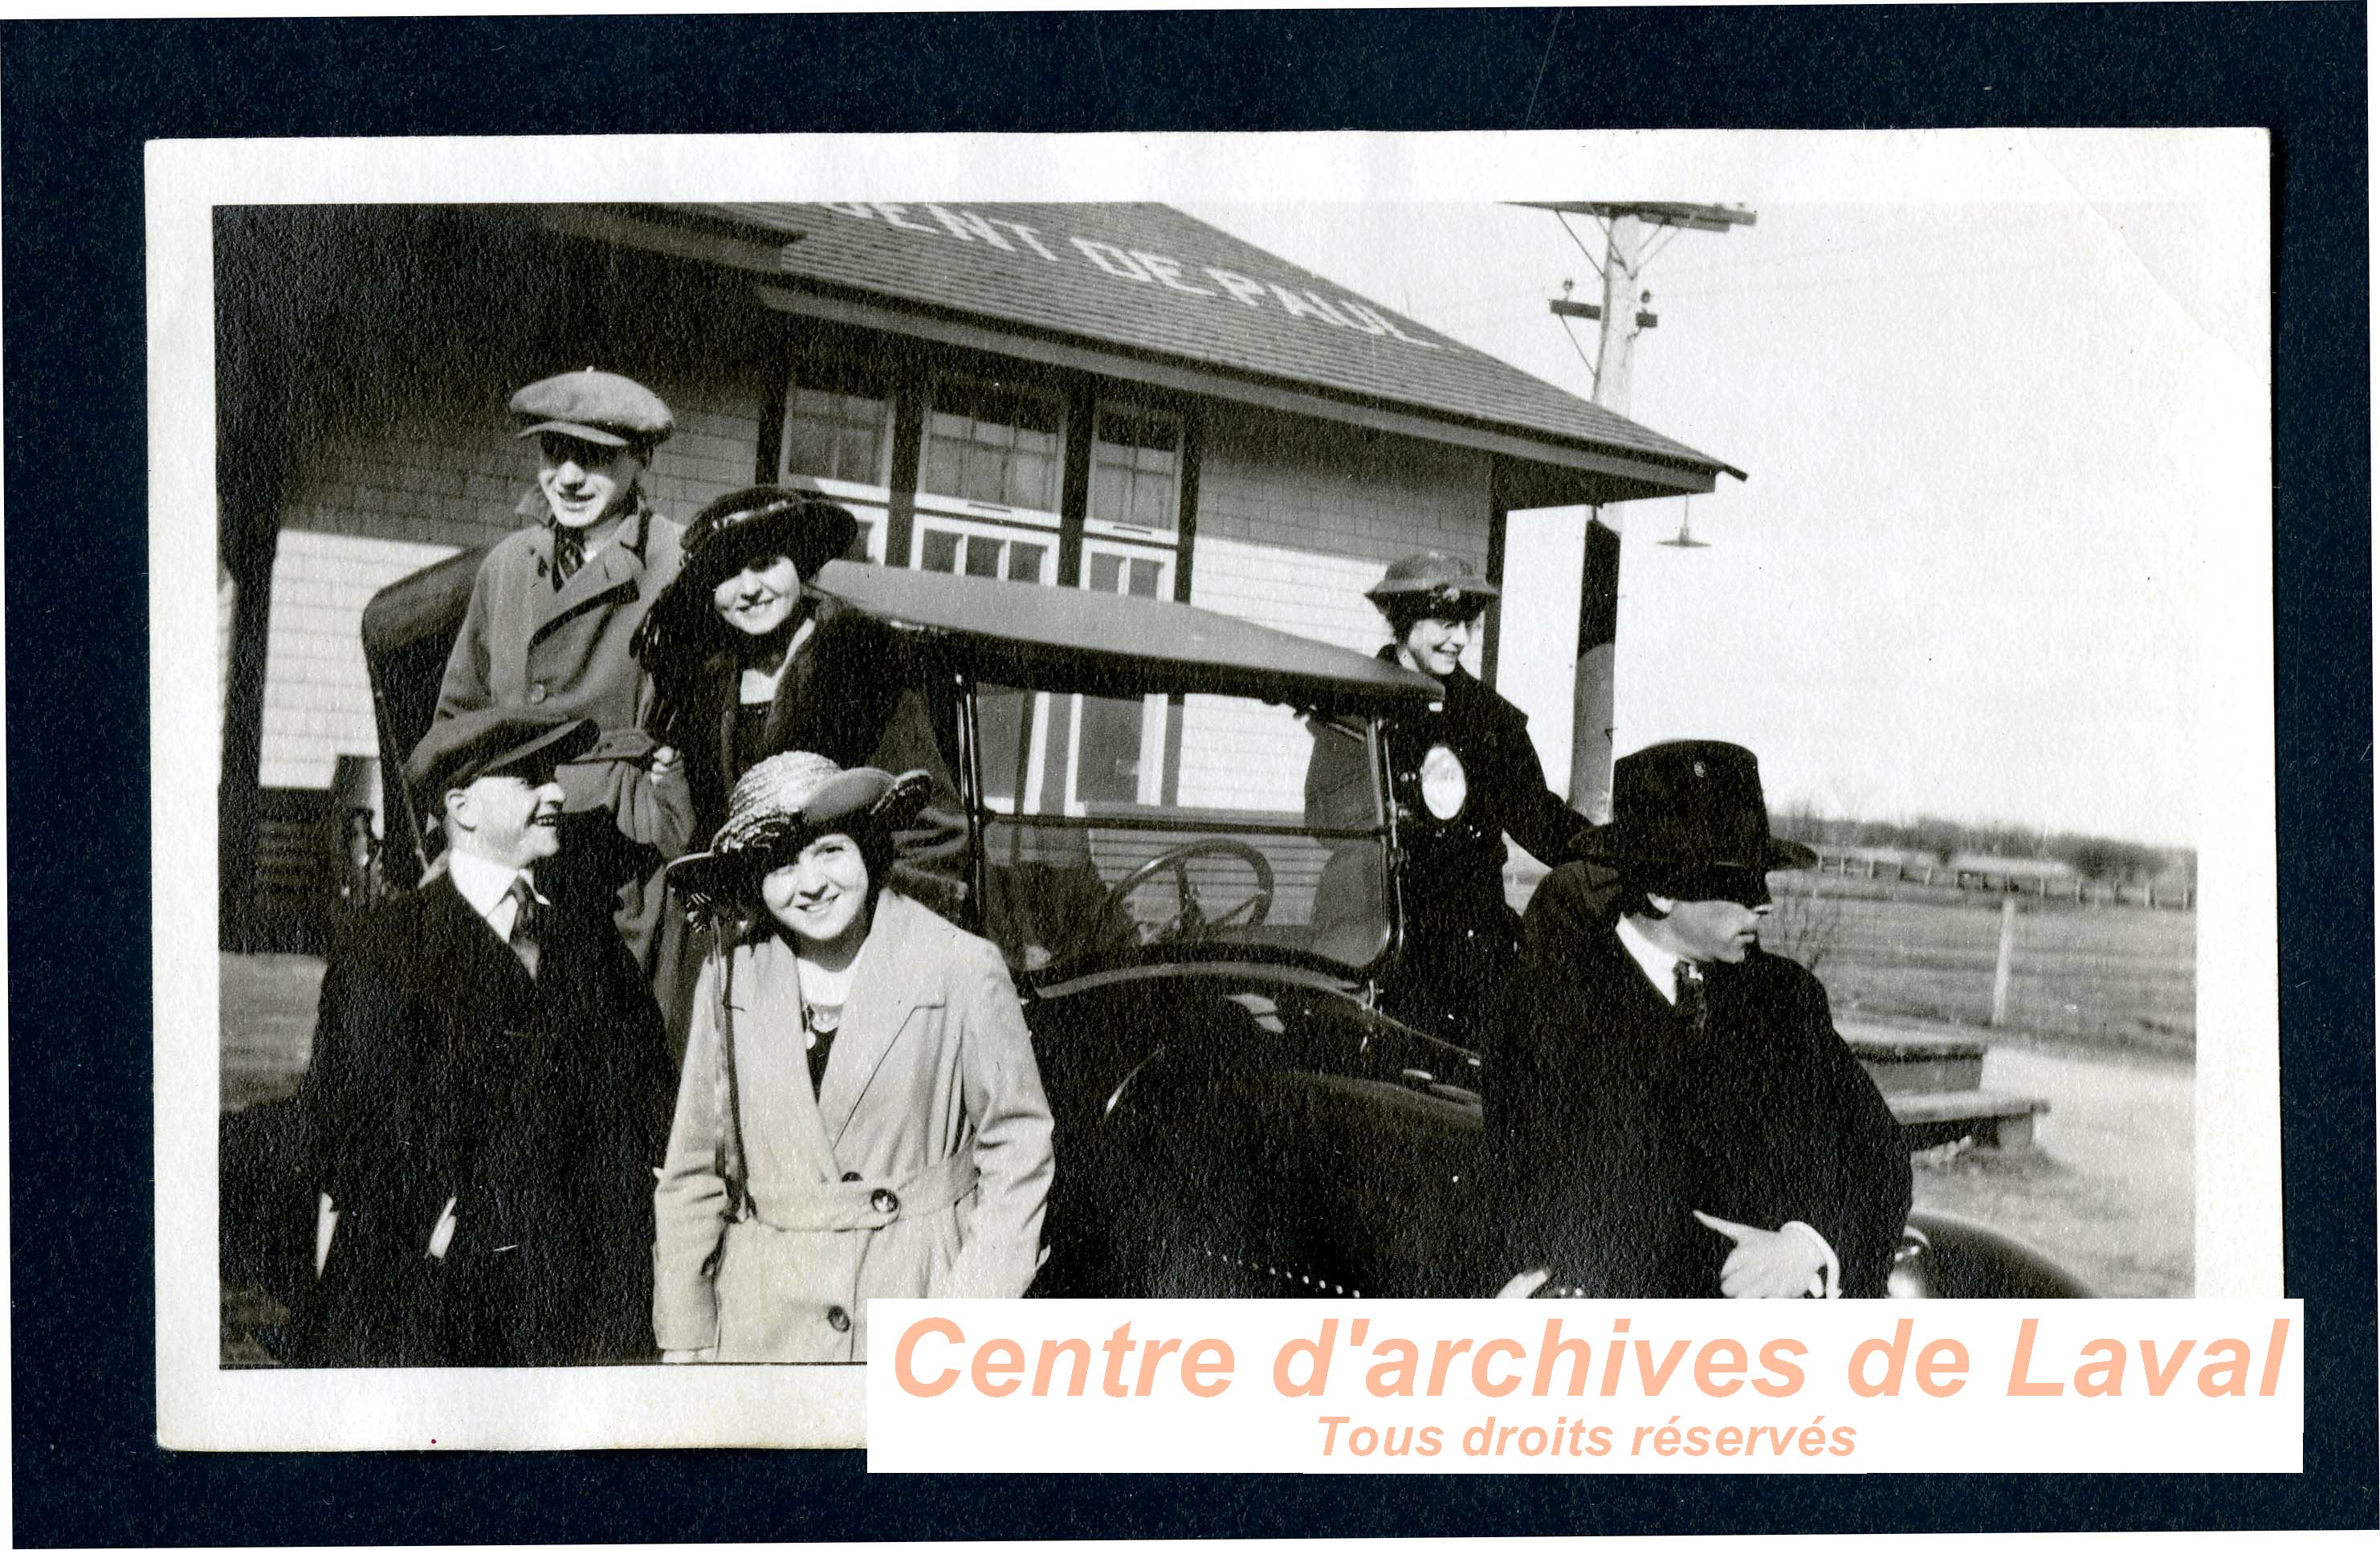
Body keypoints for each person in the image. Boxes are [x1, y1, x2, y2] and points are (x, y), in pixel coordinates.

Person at [290, 708, 679, 1365]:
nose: (555, 793)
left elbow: (650, 1101)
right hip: (426, 1315)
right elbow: (344, 1126)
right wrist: (440, 1229)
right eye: (528, 779)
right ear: (462, 807)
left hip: (578, 1313)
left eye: (550, 777)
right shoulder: (388, 945)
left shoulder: (591, 944)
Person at [652, 753, 1054, 1363]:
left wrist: (971, 1312)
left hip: (921, 1313)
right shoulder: (728, 979)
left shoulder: (959, 965)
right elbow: (693, 1176)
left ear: (868, 849)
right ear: (754, 884)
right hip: (763, 1329)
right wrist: (687, 1339)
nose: (810, 883)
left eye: (830, 851)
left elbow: (1019, 1146)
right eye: (781, 865)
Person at [1484, 740, 1910, 1299]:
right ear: (1661, 893)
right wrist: (1743, 1268)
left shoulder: (1786, 998)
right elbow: (1577, 1209)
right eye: (1738, 882)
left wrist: (1807, 1246)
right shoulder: (1555, 1003)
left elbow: (1875, 1150)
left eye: (1763, 880)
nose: (1764, 904)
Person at [434, 367, 695, 973]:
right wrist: (456, 842)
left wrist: (670, 809)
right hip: (510, 842)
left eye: (596, 456)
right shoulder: (506, 564)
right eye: (555, 452)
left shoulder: (679, 563)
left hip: (625, 848)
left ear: (641, 458)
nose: (569, 477)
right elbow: (458, 719)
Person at [1309, 549, 1593, 1041]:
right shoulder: (1351, 705)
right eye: (1445, 622)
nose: (1460, 639)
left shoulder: (1491, 720)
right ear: (1404, 622)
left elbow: (1540, 819)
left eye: (1467, 624)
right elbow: (1324, 817)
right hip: (1377, 937)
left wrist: (1623, 851)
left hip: (1472, 946)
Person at [631, 484, 965, 897]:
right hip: (753, 930)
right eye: (728, 575)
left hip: (853, 921)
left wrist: (881, 930)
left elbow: (931, 829)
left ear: (800, 563)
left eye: (765, 564)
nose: (748, 588)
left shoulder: (864, 663)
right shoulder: (705, 686)